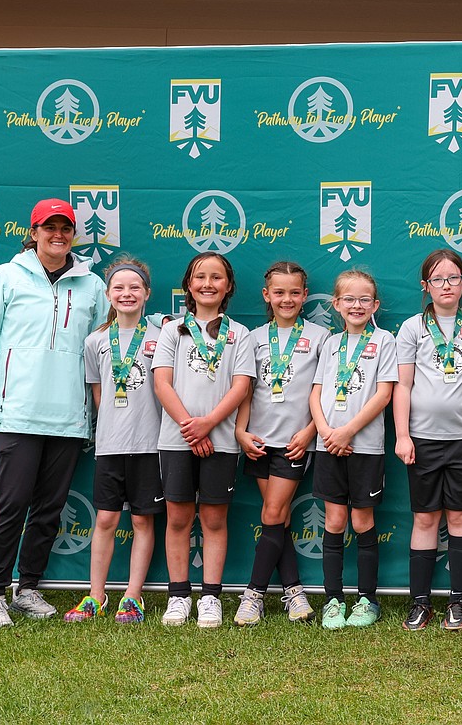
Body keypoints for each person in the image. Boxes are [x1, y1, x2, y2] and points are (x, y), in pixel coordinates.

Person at [0, 198, 109, 630]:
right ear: (33, 232)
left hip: (68, 418)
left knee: (50, 509)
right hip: (15, 415)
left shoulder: (92, 285)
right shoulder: (5, 277)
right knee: (11, 505)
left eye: (65, 228)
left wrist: (96, 418)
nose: (57, 235)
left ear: (74, 234)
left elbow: (102, 353)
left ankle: (27, 588)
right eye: (49, 227)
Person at [153, 252, 254, 628]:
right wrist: (189, 427)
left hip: (222, 440)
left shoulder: (239, 333)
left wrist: (209, 423)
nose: (208, 284)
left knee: (214, 519)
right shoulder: (171, 331)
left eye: (216, 278)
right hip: (177, 438)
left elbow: (241, 386)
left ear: (228, 286)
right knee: (178, 518)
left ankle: (210, 596)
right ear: (188, 285)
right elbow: (162, 382)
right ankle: (179, 596)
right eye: (200, 277)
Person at [393, 250, 462, 631]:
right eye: (438, 279)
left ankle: (459, 602)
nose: (446, 285)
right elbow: (403, 386)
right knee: (425, 517)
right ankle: (420, 603)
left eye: (453, 278)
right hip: (422, 439)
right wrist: (402, 435)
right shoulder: (412, 328)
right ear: (425, 286)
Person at [65, 257, 163, 624]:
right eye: (119, 288)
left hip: (150, 445)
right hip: (109, 445)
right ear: (108, 294)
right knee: (105, 519)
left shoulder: (161, 337)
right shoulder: (95, 342)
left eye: (135, 287)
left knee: (142, 522)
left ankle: (132, 597)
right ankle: (95, 596)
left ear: (147, 294)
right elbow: (99, 394)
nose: (127, 293)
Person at [233, 261, 330, 626]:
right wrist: (241, 433)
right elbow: (244, 391)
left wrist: (310, 433)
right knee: (280, 518)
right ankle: (294, 592)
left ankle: (253, 594)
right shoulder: (252, 338)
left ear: (305, 295)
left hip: (295, 442)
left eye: (294, 292)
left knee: (272, 514)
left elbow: (323, 391)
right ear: (266, 295)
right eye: (279, 292)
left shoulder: (321, 338)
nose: (286, 299)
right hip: (258, 441)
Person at [310, 269, 397, 630]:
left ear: (375, 304)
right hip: (327, 443)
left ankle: (367, 599)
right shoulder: (330, 344)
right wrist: (328, 431)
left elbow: (384, 394)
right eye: (349, 299)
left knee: (362, 522)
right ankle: (333, 599)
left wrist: (348, 431)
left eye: (364, 299)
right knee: (333, 521)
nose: (356, 305)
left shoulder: (385, 341)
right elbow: (315, 393)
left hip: (364, 446)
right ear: (336, 304)